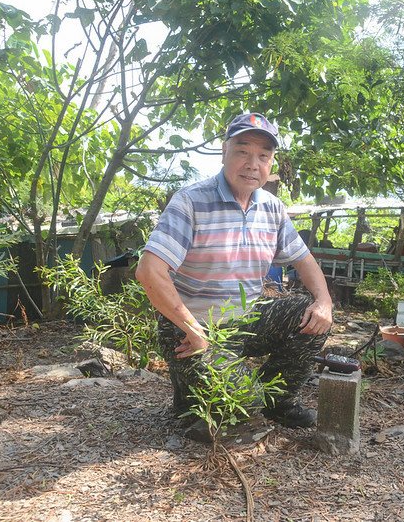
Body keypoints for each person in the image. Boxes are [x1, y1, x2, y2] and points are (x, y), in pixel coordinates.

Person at [135, 112, 333, 430]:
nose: (252, 164)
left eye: (263, 156)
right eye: (242, 151)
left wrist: (324, 301)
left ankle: (278, 403)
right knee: (241, 406)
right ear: (224, 151)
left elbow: (304, 260)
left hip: (246, 320)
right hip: (193, 329)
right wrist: (195, 331)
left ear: (270, 164)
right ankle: (197, 397)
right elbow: (149, 271)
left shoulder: (272, 208)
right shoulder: (190, 202)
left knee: (309, 315)